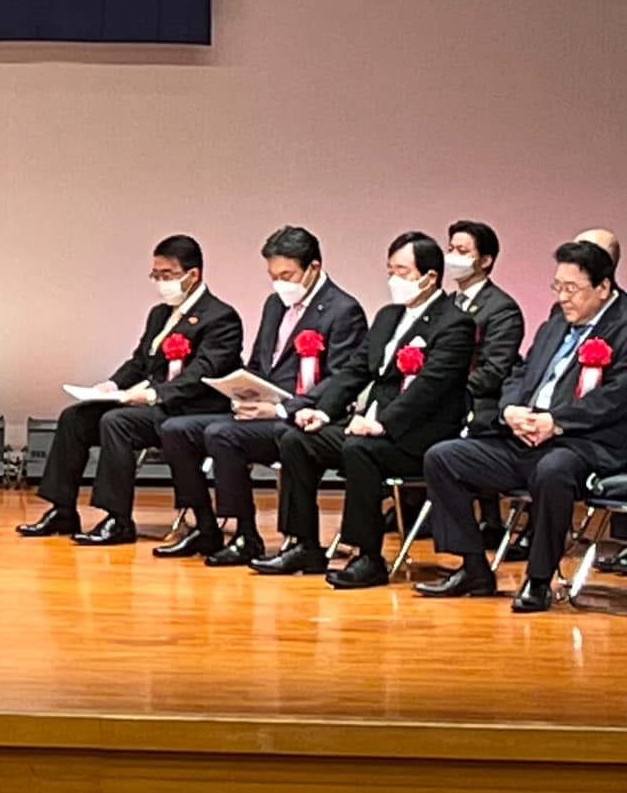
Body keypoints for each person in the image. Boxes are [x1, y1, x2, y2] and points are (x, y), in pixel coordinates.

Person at [418, 238, 627, 613]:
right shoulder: (556, 321)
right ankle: (474, 568)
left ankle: (539, 579)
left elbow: (616, 396)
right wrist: (511, 410)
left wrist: (556, 422)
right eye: (557, 286)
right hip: (526, 435)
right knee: (443, 457)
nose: (563, 297)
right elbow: (521, 373)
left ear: (603, 287)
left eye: (572, 288)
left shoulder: (623, 326)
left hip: (582, 443)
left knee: (552, 471)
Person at [252, 232, 472, 588]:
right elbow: (356, 370)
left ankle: (368, 556)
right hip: (371, 429)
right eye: (390, 271)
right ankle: (304, 544)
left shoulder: (454, 323)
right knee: (296, 439)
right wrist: (323, 412)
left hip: (416, 436)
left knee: (360, 449)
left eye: (402, 271)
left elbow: (431, 387)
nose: (394, 279)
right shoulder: (388, 317)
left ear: (430, 277)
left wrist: (382, 423)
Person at [153, 226, 369, 567]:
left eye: (287, 275)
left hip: (302, 415)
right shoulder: (275, 304)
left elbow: (340, 379)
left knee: (222, 434)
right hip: (262, 409)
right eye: (273, 276)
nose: (279, 284)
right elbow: (259, 363)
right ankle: (204, 525)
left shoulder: (343, 310)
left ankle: (245, 535)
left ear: (313, 268)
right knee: (176, 430)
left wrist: (282, 408)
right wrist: (240, 390)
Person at [18, 234, 243, 547]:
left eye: (167, 275)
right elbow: (140, 361)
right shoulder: (160, 314)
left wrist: (153, 395)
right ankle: (63, 509)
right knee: (75, 418)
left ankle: (118, 519)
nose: (161, 282)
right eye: (156, 275)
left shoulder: (221, 317)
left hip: (190, 408)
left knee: (117, 422)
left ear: (193, 275)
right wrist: (112, 385)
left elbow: (202, 373)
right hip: (154, 405)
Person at [444, 220, 527, 554]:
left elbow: (495, 370)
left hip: (483, 398)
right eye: (451, 249)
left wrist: (448, 390)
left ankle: (490, 521)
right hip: (447, 396)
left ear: (486, 260)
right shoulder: (447, 303)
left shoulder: (502, 309)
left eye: (462, 251)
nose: (453, 256)